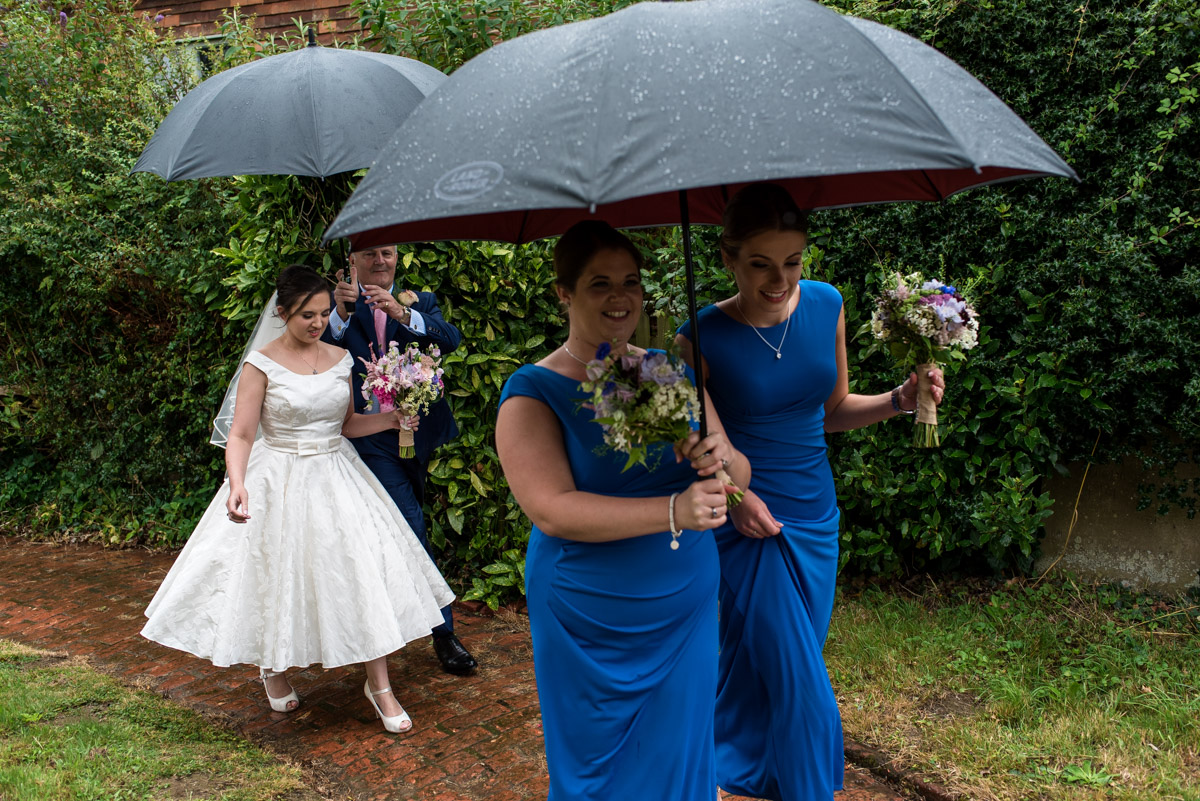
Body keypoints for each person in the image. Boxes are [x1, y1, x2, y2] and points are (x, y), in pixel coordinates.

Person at [676, 182, 946, 801]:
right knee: (801, 681)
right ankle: (807, 789)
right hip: (749, 524)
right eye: (760, 264)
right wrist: (738, 502)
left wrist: (900, 401)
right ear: (727, 257)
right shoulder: (699, 337)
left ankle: (736, 768)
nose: (780, 280)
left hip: (817, 517)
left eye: (793, 261)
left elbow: (830, 411)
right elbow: (695, 448)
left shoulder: (827, 305)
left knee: (760, 669)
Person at [495, 220, 751, 800]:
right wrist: (675, 511)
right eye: (599, 284)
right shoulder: (532, 391)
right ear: (564, 292)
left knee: (680, 754)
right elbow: (552, 510)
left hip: (682, 603)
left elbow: (738, 476)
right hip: (591, 611)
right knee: (599, 769)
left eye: (630, 281)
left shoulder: (666, 370)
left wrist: (720, 456)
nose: (620, 297)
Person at [142, 264, 455, 733]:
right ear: (283, 311)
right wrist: (238, 483)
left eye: (325, 313)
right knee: (275, 574)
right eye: (308, 315)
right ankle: (274, 668)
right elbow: (243, 434)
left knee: (359, 572)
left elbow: (347, 424)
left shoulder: (340, 357)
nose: (318, 323)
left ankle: (380, 686)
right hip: (278, 477)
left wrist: (391, 420)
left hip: (337, 474)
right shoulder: (260, 363)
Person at [325, 244, 476, 676]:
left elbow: (451, 339)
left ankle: (388, 623)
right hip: (369, 438)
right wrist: (338, 313)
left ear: (397, 258)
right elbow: (315, 348)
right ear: (351, 261)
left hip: (419, 439)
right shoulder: (339, 309)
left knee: (406, 522)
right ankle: (444, 635)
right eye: (368, 253)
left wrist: (401, 314)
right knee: (412, 522)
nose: (379, 261)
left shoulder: (420, 302)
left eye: (387, 253)